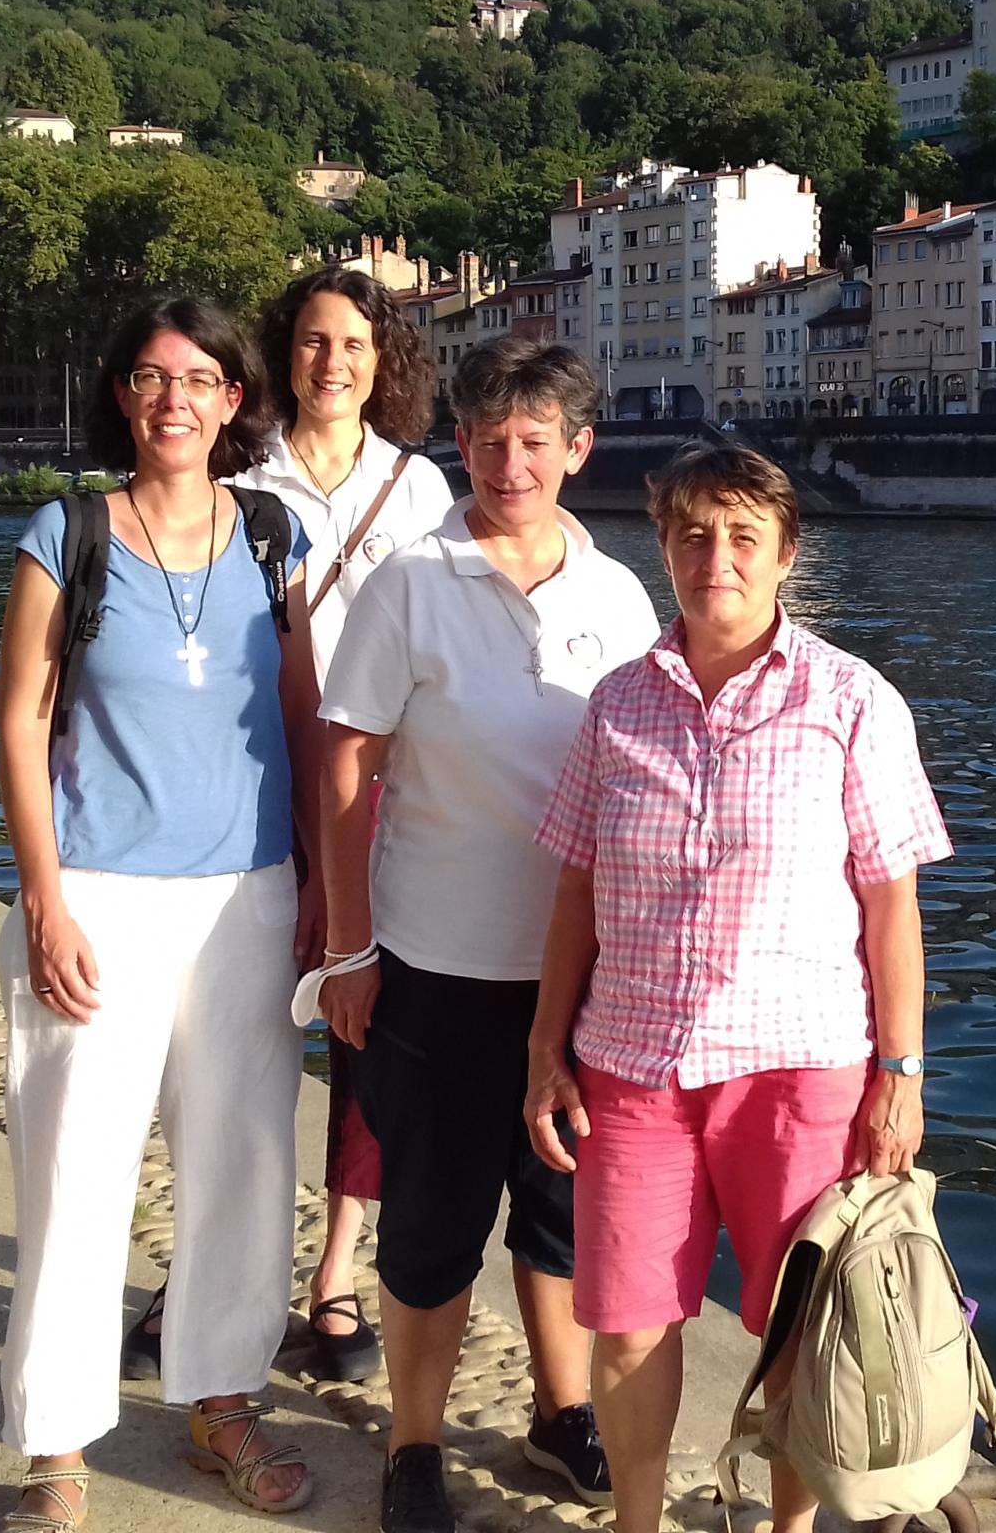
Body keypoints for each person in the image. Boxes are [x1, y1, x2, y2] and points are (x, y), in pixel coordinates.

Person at [523, 440, 952, 1533]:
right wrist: (544, 1048)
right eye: (692, 533)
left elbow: (889, 906)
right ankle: (635, 1519)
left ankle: (789, 1527)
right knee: (625, 1321)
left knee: (802, 1326)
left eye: (742, 536)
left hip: (798, 1067)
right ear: (663, 545)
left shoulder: (852, 701)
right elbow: (574, 887)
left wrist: (898, 1073)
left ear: (784, 555)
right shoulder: (618, 705)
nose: (716, 556)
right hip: (633, 1063)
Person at [316, 338, 662, 1533]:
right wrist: (351, 947)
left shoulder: (618, 595)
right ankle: (414, 1445)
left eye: (533, 440)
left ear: (576, 449)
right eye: (484, 439)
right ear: (455, 445)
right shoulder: (410, 583)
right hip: (437, 961)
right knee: (431, 1215)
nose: (507, 463)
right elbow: (349, 763)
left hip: (588, 974)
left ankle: (560, 1415)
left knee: (561, 1209)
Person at [0, 298, 318, 1528]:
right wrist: (43, 897)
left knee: (243, 1158)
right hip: (100, 895)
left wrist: (322, 890)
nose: (172, 399)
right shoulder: (65, 533)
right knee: (76, 1167)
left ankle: (223, 1398)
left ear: (235, 401)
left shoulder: (272, 538)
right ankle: (58, 1446)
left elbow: (299, 715)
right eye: (148, 378)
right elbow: (23, 718)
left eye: (199, 379)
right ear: (123, 399)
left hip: (247, 894)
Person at [120, 267, 452, 1388]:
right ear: (284, 353)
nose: (332, 363)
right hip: (250, 782)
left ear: (382, 360)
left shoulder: (417, 490)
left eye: (354, 344)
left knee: (364, 1039)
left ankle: (336, 1278)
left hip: (380, 794)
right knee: (230, 1031)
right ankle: (203, 1267)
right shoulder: (234, 475)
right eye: (313, 342)